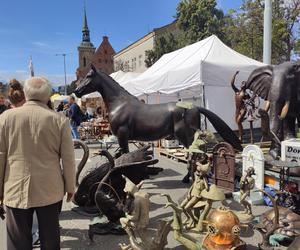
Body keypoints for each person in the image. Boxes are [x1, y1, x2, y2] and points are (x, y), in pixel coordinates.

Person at [0, 76, 76, 250]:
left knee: (17, 242)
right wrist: (70, 187)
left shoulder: (6, 118)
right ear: (48, 95)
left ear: (26, 93)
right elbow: (68, 159)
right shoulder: (59, 120)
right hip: (50, 190)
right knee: (50, 240)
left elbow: (0, 155)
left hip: (15, 188)